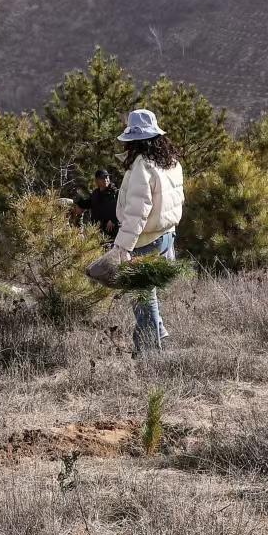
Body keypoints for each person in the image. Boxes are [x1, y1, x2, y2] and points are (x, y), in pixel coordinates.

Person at [103, 110, 185, 355]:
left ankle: (150, 355)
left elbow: (138, 210)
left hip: (145, 240)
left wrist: (123, 247)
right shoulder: (171, 162)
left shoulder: (142, 165)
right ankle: (160, 336)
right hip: (166, 237)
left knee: (141, 299)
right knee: (147, 296)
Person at [81, 170, 119, 240]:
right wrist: (78, 204)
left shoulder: (116, 193)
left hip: (111, 230)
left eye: (107, 177)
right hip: (96, 229)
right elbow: (89, 203)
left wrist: (114, 219)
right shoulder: (96, 193)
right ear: (96, 181)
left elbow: (122, 208)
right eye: (102, 178)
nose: (106, 180)